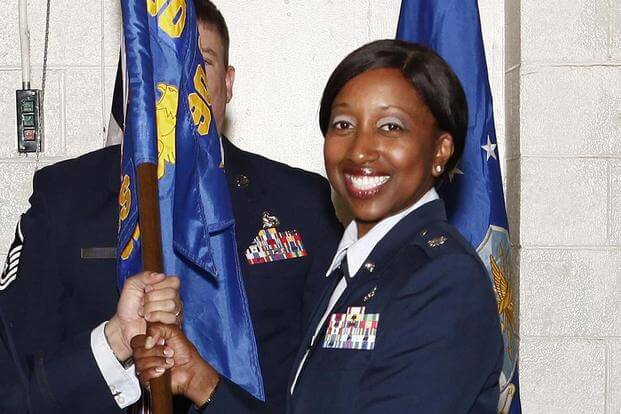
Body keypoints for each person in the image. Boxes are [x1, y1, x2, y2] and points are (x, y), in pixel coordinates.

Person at [0, 1, 341, 413]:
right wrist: (111, 347)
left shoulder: (300, 202)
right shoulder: (66, 197)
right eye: (159, 71)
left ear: (228, 83)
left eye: (201, 65)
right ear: (134, 83)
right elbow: (16, 381)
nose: (179, 87)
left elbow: (330, 382)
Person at [134, 39, 504, 413]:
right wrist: (202, 381)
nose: (360, 149)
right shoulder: (353, 269)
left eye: (390, 127)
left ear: (441, 150)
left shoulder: (441, 279)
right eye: (344, 124)